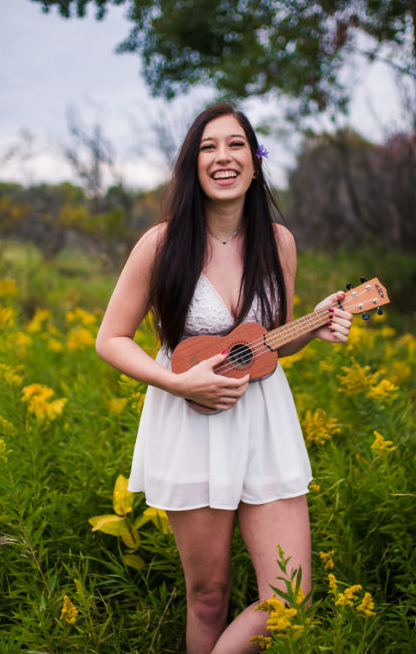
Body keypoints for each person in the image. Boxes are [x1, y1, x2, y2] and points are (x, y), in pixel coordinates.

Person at [95, 102, 353, 653]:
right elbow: (110, 339)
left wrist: (318, 322)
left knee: (289, 600)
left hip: (265, 426)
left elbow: (266, 345)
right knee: (209, 596)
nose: (223, 157)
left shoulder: (279, 242)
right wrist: (179, 383)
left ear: (255, 163)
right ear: (193, 165)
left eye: (236, 144)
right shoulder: (161, 245)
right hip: (189, 423)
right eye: (208, 147)